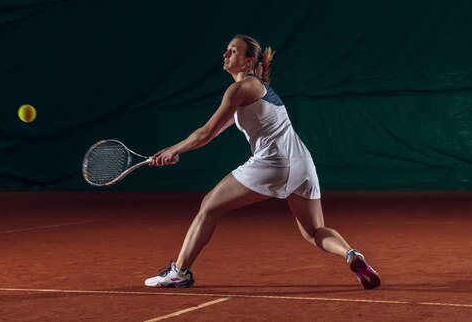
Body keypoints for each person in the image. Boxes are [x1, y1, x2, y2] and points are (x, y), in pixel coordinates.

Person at [144, 34, 380, 290]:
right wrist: (172, 150)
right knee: (314, 232)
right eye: (226, 50)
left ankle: (179, 272)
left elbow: (206, 133)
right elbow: (207, 134)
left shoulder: (241, 88)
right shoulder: (256, 90)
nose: (225, 55)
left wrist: (176, 149)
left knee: (209, 205)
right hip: (302, 163)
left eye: (233, 51)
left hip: (273, 162)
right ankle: (351, 255)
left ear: (248, 61)